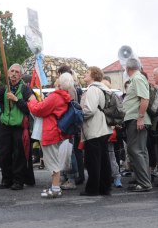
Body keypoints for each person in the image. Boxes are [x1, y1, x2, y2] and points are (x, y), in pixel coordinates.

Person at [0, 64, 34, 190]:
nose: (14, 74)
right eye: (12, 71)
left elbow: (29, 109)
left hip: (19, 126)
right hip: (5, 126)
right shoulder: (4, 88)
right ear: (8, 74)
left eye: (17, 72)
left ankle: (18, 181)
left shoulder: (25, 89)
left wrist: (16, 99)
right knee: (5, 154)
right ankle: (6, 180)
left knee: (18, 155)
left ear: (21, 75)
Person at [28, 72, 74, 198]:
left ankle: (55, 188)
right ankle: (55, 187)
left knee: (52, 162)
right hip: (56, 132)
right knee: (53, 160)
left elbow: (38, 110)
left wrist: (31, 101)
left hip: (50, 131)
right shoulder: (65, 97)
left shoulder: (55, 97)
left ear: (59, 83)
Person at [80, 66, 114, 196]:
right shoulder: (103, 88)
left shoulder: (93, 89)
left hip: (94, 128)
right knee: (103, 160)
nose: (85, 74)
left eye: (87, 72)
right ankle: (105, 187)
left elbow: (90, 110)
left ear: (93, 75)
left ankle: (92, 189)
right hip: (104, 128)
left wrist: (79, 114)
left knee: (93, 161)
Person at [123, 58, 152, 192]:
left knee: (136, 151)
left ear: (127, 68)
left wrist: (140, 118)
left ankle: (144, 183)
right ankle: (144, 181)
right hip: (136, 118)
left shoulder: (138, 79)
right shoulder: (138, 78)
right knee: (140, 151)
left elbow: (145, 99)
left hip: (136, 119)